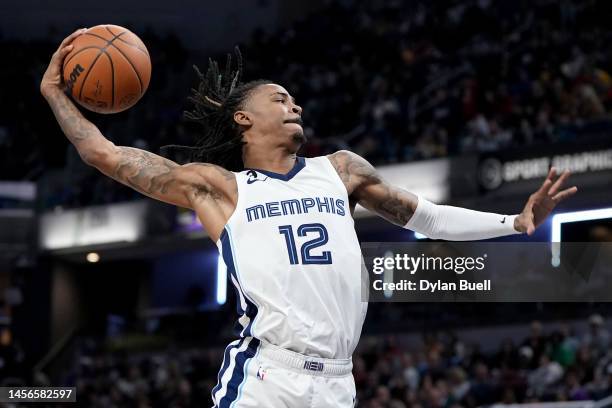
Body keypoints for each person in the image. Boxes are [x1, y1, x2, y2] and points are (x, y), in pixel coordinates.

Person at [40, 29, 578, 407]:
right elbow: (106, 155)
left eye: (295, 99)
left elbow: (426, 217)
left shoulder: (340, 170)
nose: (294, 104)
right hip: (268, 378)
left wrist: (514, 222)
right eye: (281, 99)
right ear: (244, 118)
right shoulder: (220, 188)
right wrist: (56, 96)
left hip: (339, 383)